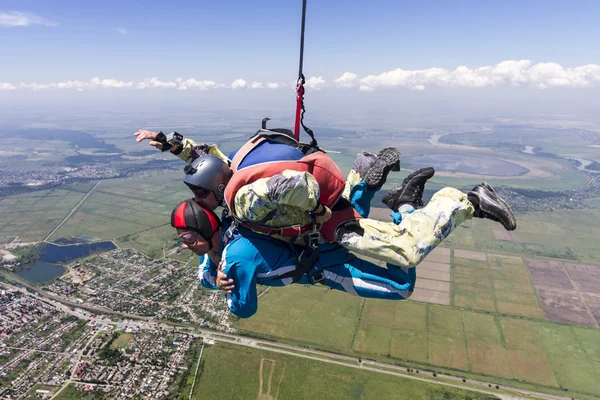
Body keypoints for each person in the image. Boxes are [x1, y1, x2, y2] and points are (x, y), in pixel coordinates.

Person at [171, 171, 516, 317]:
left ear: (203, 230)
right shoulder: (236, 224)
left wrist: (221, 284)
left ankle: (466, 200)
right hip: (320, 243)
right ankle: (386, 193)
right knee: (351, 218)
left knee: (401, 284)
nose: (185, 246)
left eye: (187, 237)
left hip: (329, 269)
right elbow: (210, 267)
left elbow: (242, 309)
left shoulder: (234, 261)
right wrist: (212, 271)